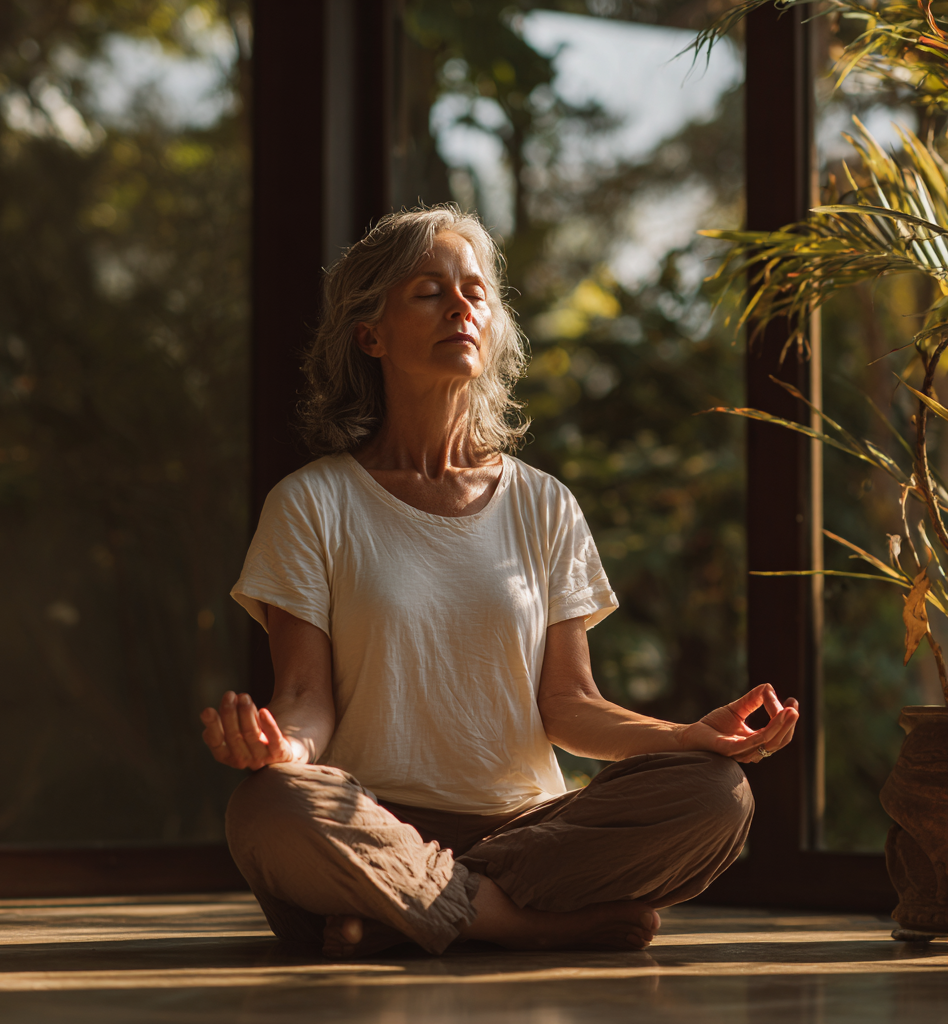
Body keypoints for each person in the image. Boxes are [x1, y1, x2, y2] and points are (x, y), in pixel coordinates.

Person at [200, 205, 799, 959]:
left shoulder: (544, 504)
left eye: (475, 291)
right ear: (370, 334)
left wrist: (685, 738)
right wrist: (281, 748)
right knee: (269, 806)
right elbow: (303, 697)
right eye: (429, 292)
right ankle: (534, 925)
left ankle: (406, 910)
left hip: (529, 833)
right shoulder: (312, 503)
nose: (461, 305)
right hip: (370, 818)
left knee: (717, 795)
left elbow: (569, 706)